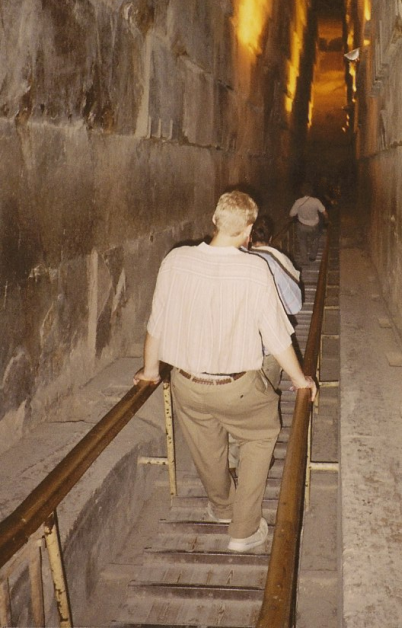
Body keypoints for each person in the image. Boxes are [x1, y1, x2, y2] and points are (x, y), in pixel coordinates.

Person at [134, 190, 317, 553]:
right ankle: (243, 530)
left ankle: (221, 508)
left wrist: (151, 371)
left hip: (185, 382)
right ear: (249, 230)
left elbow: (157, 324)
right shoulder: (254, 268)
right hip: (238, 387)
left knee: (207, 448)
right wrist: (301, 380)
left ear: (215, 220)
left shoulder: (176, 260)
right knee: (261, 435)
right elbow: (276, 335)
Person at [247, 214, 302, 389]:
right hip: (268, 346)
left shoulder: (239, 259)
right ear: (270, 238)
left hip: (241, 348)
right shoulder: (278, 260)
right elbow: (295, 305)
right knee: (266, 396)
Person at [289, 182, 328, 264]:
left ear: (302, 191)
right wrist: (326, 219)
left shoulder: (298, 202)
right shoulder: (316, 201)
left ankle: (304, 260)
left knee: (302, 242)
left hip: (302, 226)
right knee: (315, 240)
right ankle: (312, 256)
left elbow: (291, 214)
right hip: (314, 226)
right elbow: (324, 213)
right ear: (311, 191)